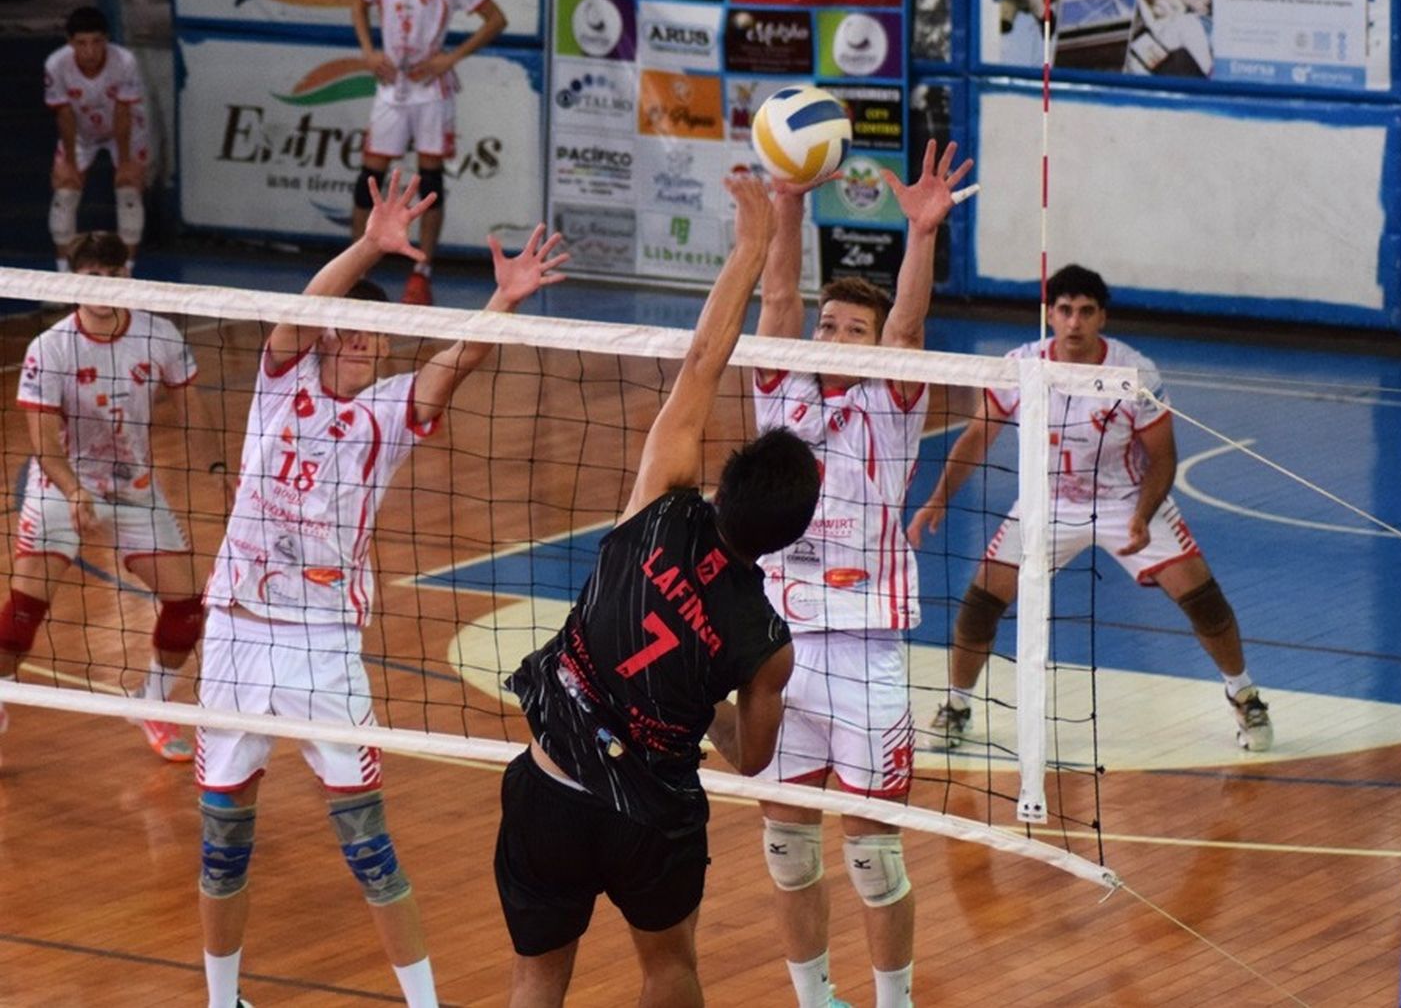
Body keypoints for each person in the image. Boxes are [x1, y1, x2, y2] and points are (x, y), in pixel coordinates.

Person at [196, 170, 568, 1008]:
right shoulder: (280, 379)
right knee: (223, 843)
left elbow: (458, 359)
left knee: (369, 845)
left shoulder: (391, 412)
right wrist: (370, 242)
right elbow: (305, 304)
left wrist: (502, 300)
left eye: (378, 334)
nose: (368, 343)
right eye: (355, 330)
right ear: (332, 334)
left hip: (323, 646)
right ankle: (222, 1002)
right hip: (236, 634)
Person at [495, 172, 820, 1008]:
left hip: (550, 784)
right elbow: (752, 757)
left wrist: (750, 251)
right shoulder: (767, 643)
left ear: (723, 480)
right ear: (790, 538)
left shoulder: (662, 501)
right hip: (653, 817)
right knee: (670, 967)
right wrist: (691, 701)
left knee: (537, 980)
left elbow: (705, 358)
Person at [753, 140, 973, 1008]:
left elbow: (910, 327)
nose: (836, 336)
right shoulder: (780, 390)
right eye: (829, 325)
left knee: (874, 853)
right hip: (776, 652)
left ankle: (893, 1001)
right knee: (786, 848)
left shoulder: (892, 396)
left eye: (854, 328)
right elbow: (775, 295)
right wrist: (789, 201)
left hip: (864, 649)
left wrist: (920, 233)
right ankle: (814, 997)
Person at [909, 264, 1272, 754]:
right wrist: (938, 499)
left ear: (1102, 317)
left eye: (1085, 311)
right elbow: (977, 436)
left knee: (1204, 599)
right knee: (980, 606)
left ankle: (1244, 693)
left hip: (1126, 500)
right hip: (1045, 504)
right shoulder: (1024, 364)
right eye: (1064, 311)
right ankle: (956, 706)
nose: (1074, 322)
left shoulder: (1133, 371)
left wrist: (1145, 513)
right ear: (1050, 315)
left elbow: (1163, 457)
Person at [0, 231, 222, 761]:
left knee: (188, 608)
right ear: (72, 279)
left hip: (134, 489)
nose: (103, 286)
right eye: (91, 276)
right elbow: (44, 446)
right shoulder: (50, 347)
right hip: (60, 487)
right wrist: (75, 492)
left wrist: (217, 466)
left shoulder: (159, 334)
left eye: (112, 274)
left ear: (128, 275)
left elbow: (192, 408)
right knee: (25, 613)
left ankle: (152, 703)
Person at [351, 0, 507, 306]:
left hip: (431, 90)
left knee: (430, 178)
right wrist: (369, 51)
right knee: (369, 181)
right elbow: (359, 4)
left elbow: (496, 19)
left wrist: (449, 59)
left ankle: (422, 270)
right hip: (390, 88)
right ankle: (355, 269)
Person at [45, 6, 150, 273]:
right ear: (70, 43)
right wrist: (69, 161)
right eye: (81, 43)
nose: (89, 51)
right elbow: (64, 114)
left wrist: (125, 162)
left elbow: (123, 111)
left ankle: (127, 273)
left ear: (106, 40)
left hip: (124, 130)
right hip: (81, 132)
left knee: (129, 188)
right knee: (65, 192)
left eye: (96, 42)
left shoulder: (124, 61)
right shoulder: (56, 65)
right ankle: (63, 278)